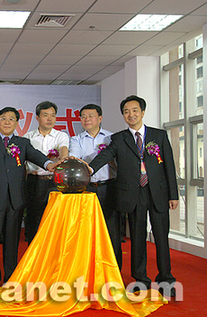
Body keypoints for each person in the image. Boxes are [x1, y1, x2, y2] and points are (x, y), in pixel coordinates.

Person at [89, 95, 178, 299]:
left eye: (135, 110)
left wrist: (173, 195)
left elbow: (170, 166)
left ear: (143, 112)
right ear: (123, 115)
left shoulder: (159, 135)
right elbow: (105, 156)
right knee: (137, 238)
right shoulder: (119, 138)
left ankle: (166, 279)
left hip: (158, 194)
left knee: (161, 239)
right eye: (127, 111)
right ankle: (141, 280)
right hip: (133, 194)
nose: (131, 114)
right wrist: (88, 168)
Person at [0, 107, 58, 287]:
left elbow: (36, 156)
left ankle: (11, 280)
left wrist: (49, 164)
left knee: (12, 244)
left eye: (11, 119)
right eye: (3, 118)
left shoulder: (22, 143)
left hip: (15, 201)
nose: (7, 122)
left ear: (17, 123)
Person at [69, 104, 122, 268]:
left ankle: (114, 269)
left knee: (111, 230)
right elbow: (75, 158)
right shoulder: (76, 139)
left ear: (100, 118)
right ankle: (88, 268)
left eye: (90, 116)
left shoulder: (112, 138)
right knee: (86, 230)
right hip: (87, 189)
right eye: (83, 116)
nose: (86, 119)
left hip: (109, 187)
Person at [23, 101, 69, 244]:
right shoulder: (28, 138)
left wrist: (63, 158)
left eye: (53, 116)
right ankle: (33, 250)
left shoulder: (61, 136)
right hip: (34, 182)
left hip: (54, 182)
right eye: (45, 115)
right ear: (37, 118)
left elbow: (63, 150)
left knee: (55, 219)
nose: (50, 119)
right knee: (33, 218)